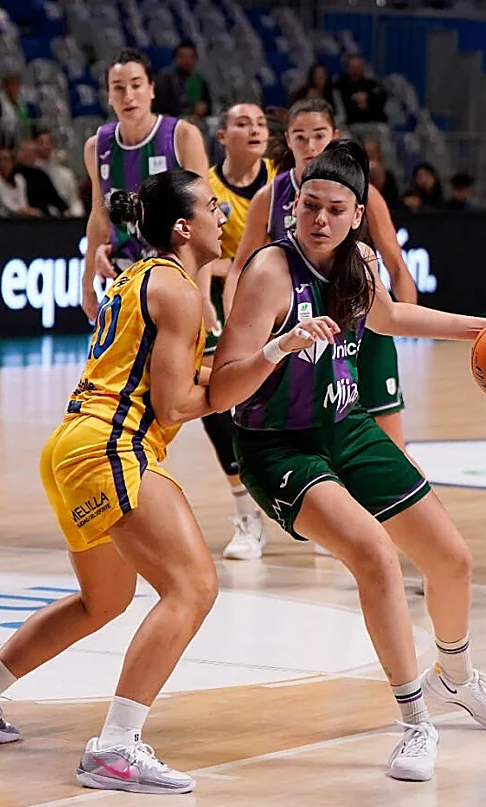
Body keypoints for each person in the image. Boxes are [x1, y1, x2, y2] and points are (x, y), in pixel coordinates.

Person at [210, 140, 486, 782]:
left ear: (357, 215)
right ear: (295, 205)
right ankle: (414, 724)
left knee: (452, 559)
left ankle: (456, 677)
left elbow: (388, 316)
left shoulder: (358, 264)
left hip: (347, 427)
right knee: (375, 557)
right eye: (310, 206)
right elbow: (222, 387)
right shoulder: (268, 273)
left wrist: (482, 328)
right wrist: (281, 347)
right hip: (278, 444)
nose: (319, 220)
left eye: (335, 210)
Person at [0, 169, 227, 795]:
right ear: (183, 227)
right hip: (112, 447)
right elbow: (175, 406)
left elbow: (166, 375)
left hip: (73, 443)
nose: (222, 214)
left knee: (105, 601)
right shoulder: (177, 289)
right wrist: (260, 374)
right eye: (211, 206)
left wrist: (241, 362)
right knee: (194, 586)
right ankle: (116, 749)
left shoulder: (137, 278)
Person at [226, 99, 420, 556]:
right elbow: (239, 267)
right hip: (296, 333)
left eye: (319, 136)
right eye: (300, 136)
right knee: (290, 423)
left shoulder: (363, 193)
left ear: (333, 138)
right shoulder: (270, 197)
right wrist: (240, 322)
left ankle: (404, 539)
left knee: (389, 441)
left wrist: (403, 322)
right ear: (288, 142)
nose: (311, 145)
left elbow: (392, 258)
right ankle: (323, 515)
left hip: (361, 329)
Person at [80, 48, 210, 324]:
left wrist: (204, 294)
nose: (128, 95)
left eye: (136, 85)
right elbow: (98, 217)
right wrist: (87, 280)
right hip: (124, 276)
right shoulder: (96, 146)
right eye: (118, 87)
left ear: (151, 89)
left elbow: (204, 218)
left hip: (175, 276)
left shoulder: (183, 136)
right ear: (108, 96)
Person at [204, 102, 276, 560]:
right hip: (218, 298)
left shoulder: (283, 179)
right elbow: (196, 250)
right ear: (222, 136)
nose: (254, 129)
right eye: (242, 123)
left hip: (280, 294)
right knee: (215, 400)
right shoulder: (206, 188)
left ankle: (321, 501)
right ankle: (247, 513)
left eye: (261, 123)